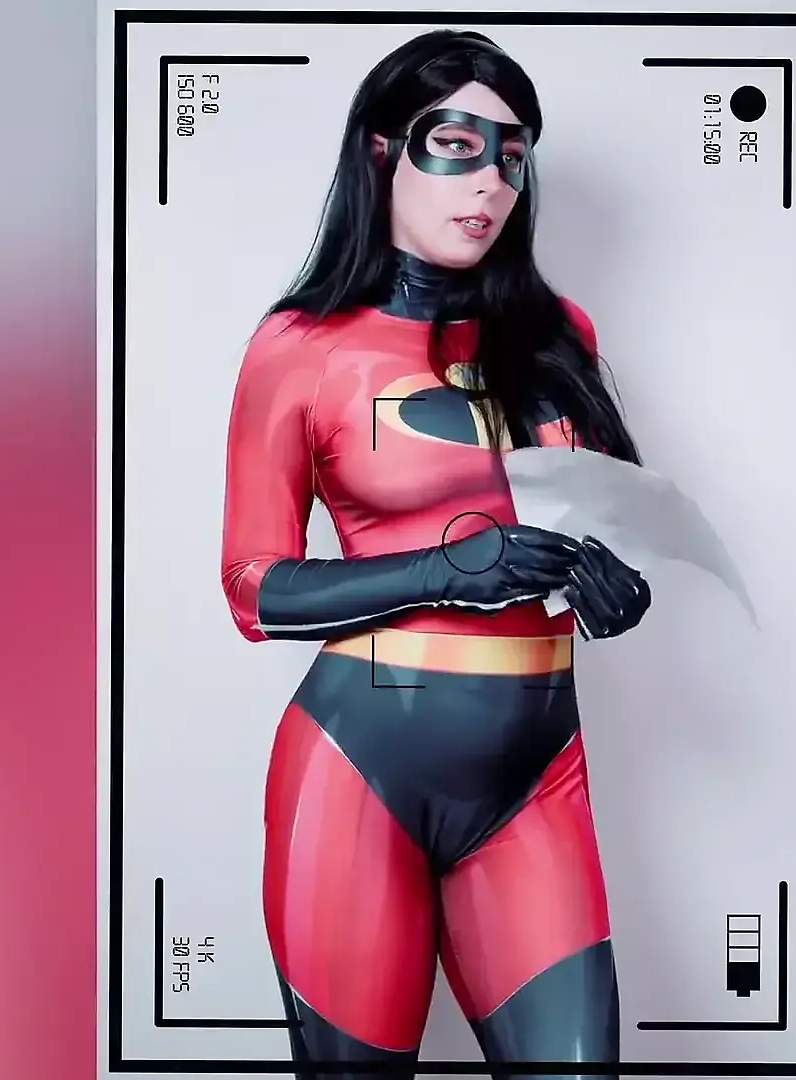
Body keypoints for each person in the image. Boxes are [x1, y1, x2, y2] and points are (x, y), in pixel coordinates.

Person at [217, 29, 654, 1080]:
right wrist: (443, 576)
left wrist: (616, 585)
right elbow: (252, 589)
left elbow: (601, 517)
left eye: (513, 155)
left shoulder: (560, 334)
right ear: (383, 151)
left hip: (537, 775)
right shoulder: (301, 346)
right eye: (457, 144)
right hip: (357, 775)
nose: (492, 181)